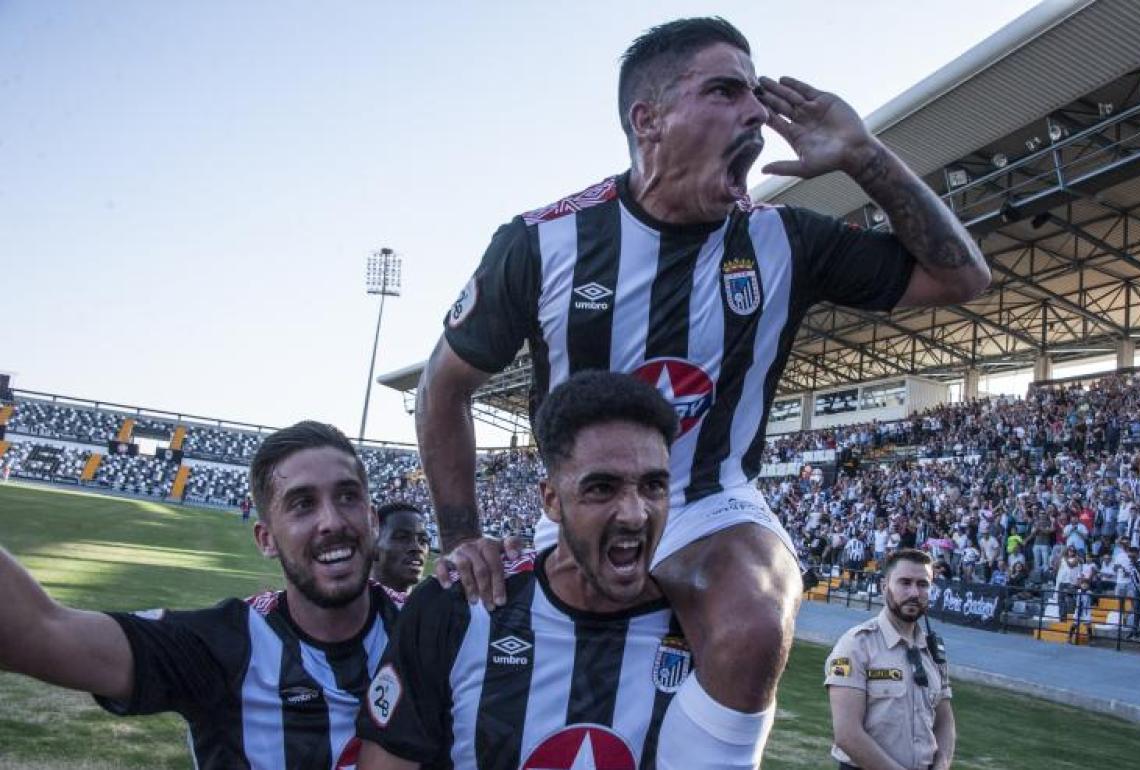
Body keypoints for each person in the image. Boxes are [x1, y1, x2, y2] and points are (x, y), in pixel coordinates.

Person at [415, 16, 989, 762]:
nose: (756, 113)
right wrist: (461, 537)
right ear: (647, 120)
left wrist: (863, 154)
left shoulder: (785, 239)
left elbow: (962, 277)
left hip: (711, 501)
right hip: (583, 507)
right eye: (725, 90)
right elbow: (442, 388)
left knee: (754, 619)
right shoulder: (542, 242)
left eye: (757, 93)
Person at [359, 372, 762, 769]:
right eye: (602, 488)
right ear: (551, 500)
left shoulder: (706, 631)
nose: (635, 513)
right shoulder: (459, 609)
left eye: (653, 486)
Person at [0, 421, 404, 769]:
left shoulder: (429, 630)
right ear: (266, 539)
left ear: (371, 519)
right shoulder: (222, 647)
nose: (332, 520)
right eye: (302, 504)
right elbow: (37, 632)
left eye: (348, 496)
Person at [824, 548, 955, 770]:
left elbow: (944, 721)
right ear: (884, 587)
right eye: (905, 582)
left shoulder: (933, 651)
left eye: (923, 584)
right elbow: (847, 734)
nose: (914, 592)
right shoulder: (856, 645)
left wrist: (942, 763)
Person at [372, 501, 432, 593]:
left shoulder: (433, 604)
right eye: (402, 538)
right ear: (373, 546)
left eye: (423, 540)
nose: (417, 548)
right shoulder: (351, 605)